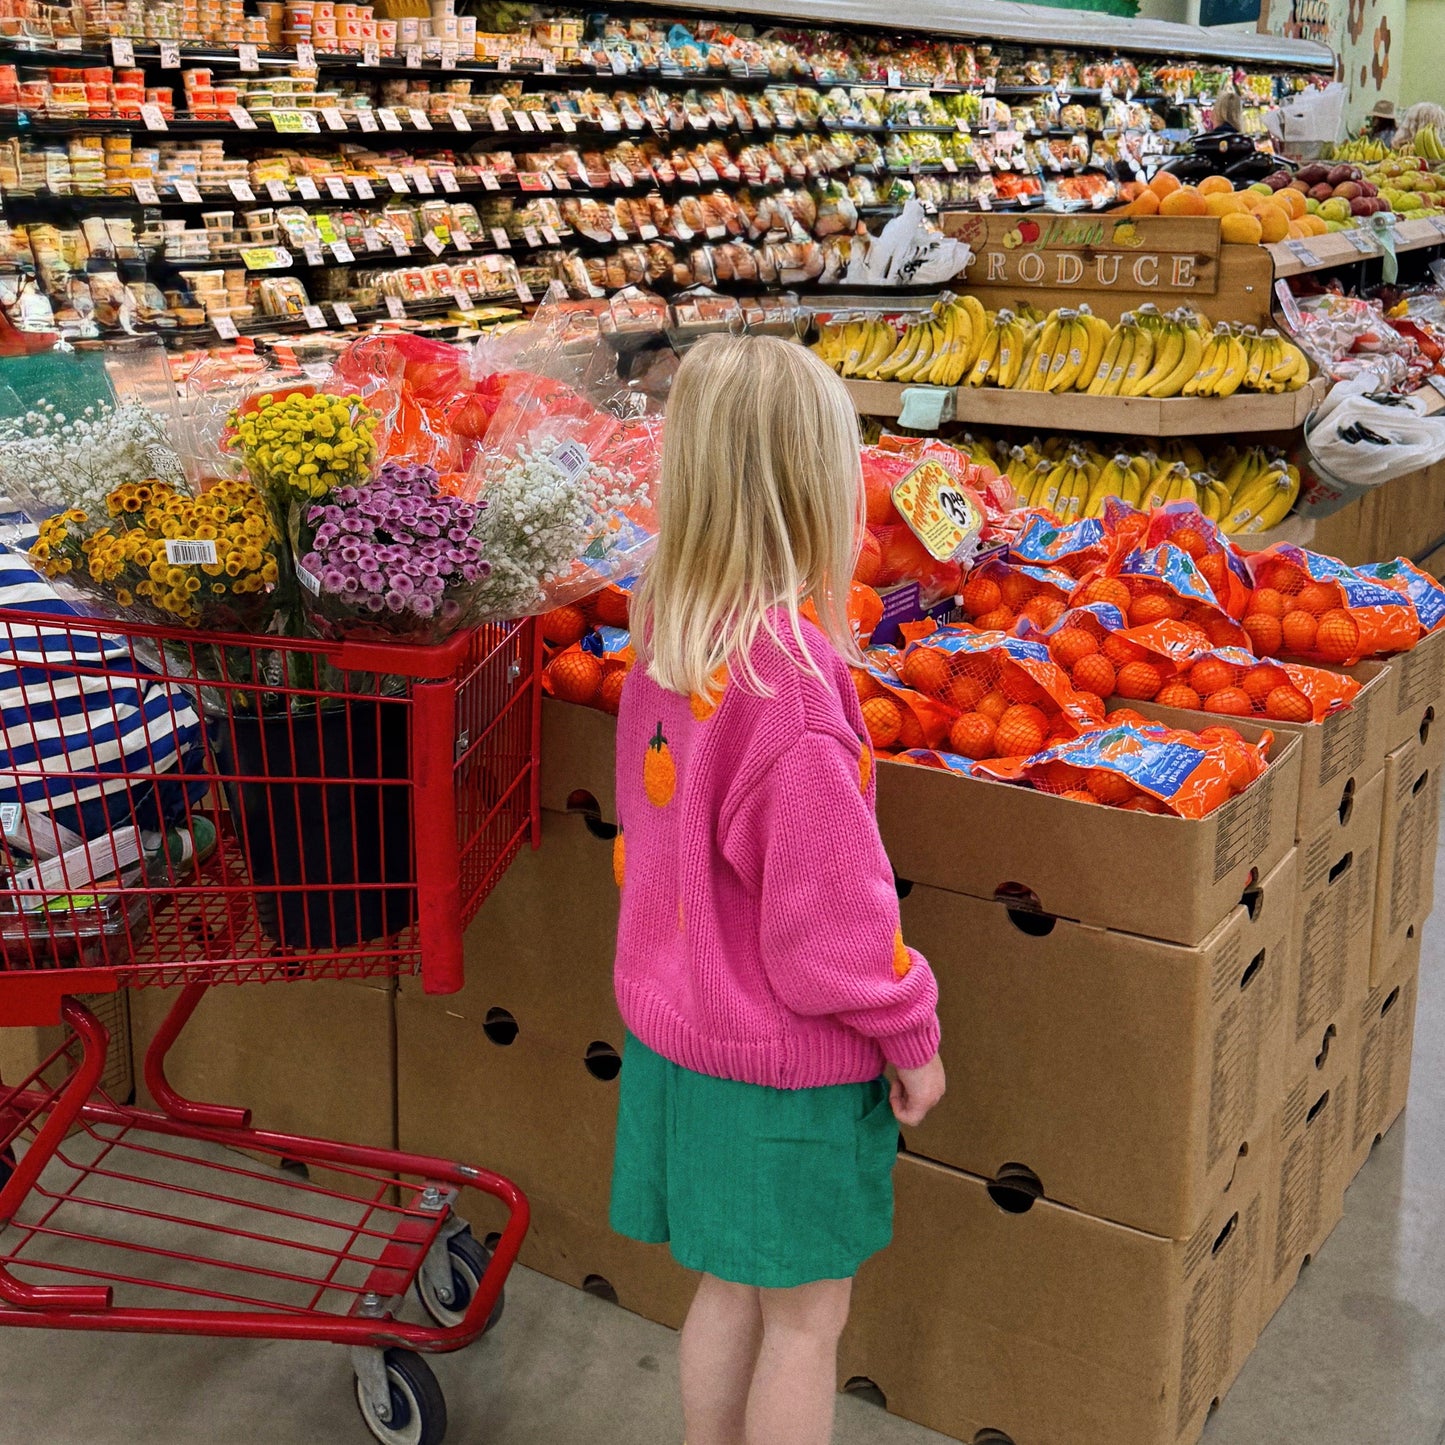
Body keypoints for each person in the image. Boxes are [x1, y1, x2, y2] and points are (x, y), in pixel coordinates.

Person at [608, 332, 945, 1445]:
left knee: (726, 1285)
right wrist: (910, 1032)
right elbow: (826, 926)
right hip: (782, 1065)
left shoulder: (668, 624)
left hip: (683, 1036)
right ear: (816, 486)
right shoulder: (788, 683)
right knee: (807, 1320)